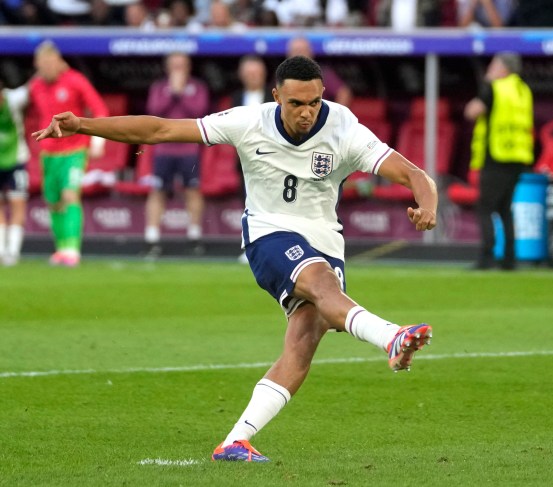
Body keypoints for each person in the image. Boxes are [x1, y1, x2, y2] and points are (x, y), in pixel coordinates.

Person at [34, 56, 437, 462]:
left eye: (314, 102)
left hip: (325, 239)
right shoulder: (249, 121)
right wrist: (82, 124)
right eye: (296, 103)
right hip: (268, 232)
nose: (306, 112)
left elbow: (413, 173)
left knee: (302, 344)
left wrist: (428, 205)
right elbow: (159, 129)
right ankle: (391, 336)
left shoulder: (343, 127)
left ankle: (234, 441)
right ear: (276, 95)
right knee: (321, 285)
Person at [28, 40, 108, 267]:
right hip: (48, 154)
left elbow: (99, 108)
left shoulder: (75, 81)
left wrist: (98, 140)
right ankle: (61, 248)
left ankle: (73, 250)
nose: (44, 69)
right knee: (52, 201)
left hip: (74, 150)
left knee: (70, 196)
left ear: (58, 61)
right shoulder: (35, 86)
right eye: (40, 65)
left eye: (48, 63)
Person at [464, 53, 534, 271]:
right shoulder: (523, 90)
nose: (490, 70)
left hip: (496, 156)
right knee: (505, 209)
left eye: (493, 66)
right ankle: (509, 259)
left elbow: (471, 112)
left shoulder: (495, 88)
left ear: (503, 69)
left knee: (485, 208)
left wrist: (486, 82)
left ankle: (486, 257)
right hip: (518, 158)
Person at [143, 52, 210, 257]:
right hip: (164, 149)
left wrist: (180, 93)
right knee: (158, 191)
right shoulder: (159, 87)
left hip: (189, 149)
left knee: (192, 190)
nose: (178, 70)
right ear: (168, 68)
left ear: (189, 67)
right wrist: (173, 92)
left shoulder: (198, 87)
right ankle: (152, 238)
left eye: (182, 66)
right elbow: (154, 111)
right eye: (174, 66)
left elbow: (200, 110)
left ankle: (194, 236)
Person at [231, 55, 271, 264]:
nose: (252, 77)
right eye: (248, 73)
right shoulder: (237, 98)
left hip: (273, 161)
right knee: (249, 206)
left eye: (256, 73)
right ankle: (250, 248)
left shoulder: (275, 96)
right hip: (245, 161)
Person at [0, 81, 29, 266]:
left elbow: (32, 87)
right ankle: (1, 250)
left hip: (16, 160)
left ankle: (13, 252)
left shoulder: (13, 99)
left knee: (17, 203)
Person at [286, 36, 353, 107]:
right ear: (289, 55)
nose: (300, 55)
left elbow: (343, 93)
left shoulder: (322, 73)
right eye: (296, 51)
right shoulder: (282, 76)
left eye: (303, 51)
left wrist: (335, 115)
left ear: (310, 53)